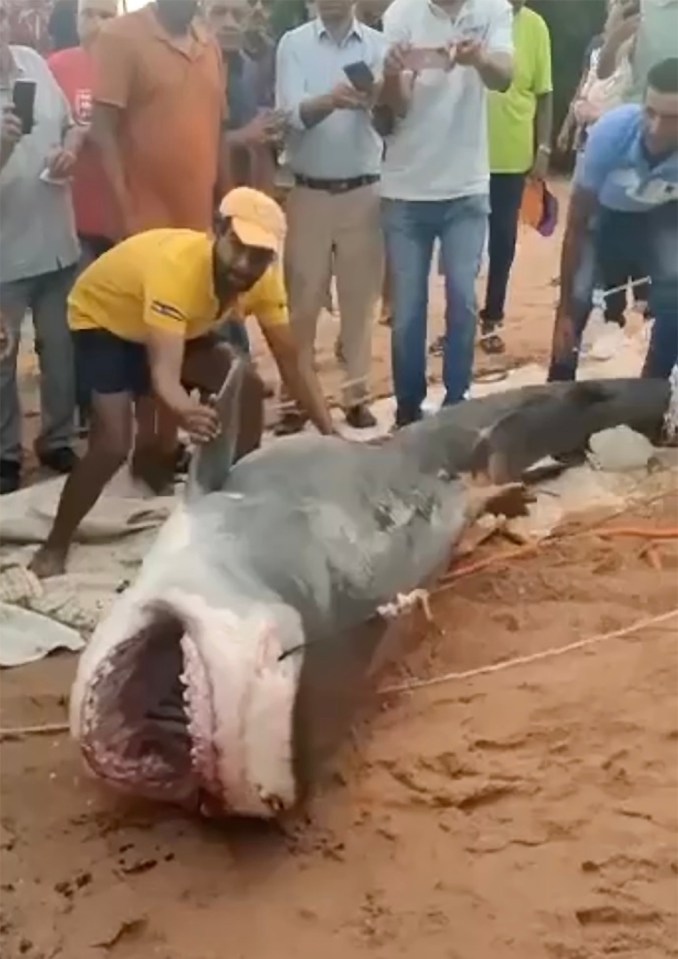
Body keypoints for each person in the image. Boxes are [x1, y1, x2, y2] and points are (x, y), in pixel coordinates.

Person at [29, 187, 336, 578]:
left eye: (258, 256)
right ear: (217, 230)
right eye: (237, 247)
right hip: (104, 319)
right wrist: (185, 409)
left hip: (170, 326)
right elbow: (164, 377)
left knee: (244, 385)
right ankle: (56, 542)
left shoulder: (264, 281)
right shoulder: (177, 269)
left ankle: (233, 500)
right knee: (112, 444)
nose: (244, 264)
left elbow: (293, 364)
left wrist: (331, 436)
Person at [379, 0, 513, 427]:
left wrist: (479, 58)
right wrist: (392, 75)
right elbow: (396, 108)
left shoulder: (493, 10)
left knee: (463, 300)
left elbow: (505, 77)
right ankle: (408, 408)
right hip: (406, 188)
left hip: (466, 187)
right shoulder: (400, 13)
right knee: (408, 311)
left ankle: (458, 403)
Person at [276, 0, 387, 432]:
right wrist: (331, 100)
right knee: (301, 303)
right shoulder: (293, 45)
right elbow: (290, 114)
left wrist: (379, 99)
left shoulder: (380, 45)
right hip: (310, 190)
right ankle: (295, 399)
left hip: (365, 189)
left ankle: (356, 394)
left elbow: (394, 120)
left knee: (360, 302)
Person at [548, 58, 678, 384]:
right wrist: (564, 309)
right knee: (578, 298)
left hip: (660, 216)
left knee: (675, 296)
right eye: (651, 112)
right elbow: (576, 224)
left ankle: (653, 394)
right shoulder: (611, 134)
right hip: (603, 217)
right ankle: (558, 389)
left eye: (672, 118)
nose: (657, 127)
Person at [0, 5, 80, 495]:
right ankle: (5, 454)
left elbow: (69, 122)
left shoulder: (33, 61)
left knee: (62, 351)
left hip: (56, 244)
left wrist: (68, 148)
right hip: (4, 258)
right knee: (2, 360)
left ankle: (59, 438)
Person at [90, 0, 227, 236]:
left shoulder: (209, 43)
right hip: (143, 228)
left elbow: (217, 130)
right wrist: (126, 213)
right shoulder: (119, 36)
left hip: (199, 226)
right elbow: (102, 132)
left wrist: (226, 202)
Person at [480, 0, 552, 355]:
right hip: (468, 155)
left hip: (512, 155)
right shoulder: (475, 14)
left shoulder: (536, 26)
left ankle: (492, 318)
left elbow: (545, 93)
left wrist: (544, 148)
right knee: (460, 249)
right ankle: (457, 324)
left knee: (503, 243)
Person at [48, 0, 120, 266]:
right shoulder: (54, 67)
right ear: (76, 20)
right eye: (88, 14)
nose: (97, 23)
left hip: (120, 214)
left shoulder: (133, 65)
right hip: (71, 217)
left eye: (106, 15)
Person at [204, 0, 283, 194]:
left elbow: (258, 139)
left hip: (243, 194)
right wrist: (243, 136)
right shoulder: (183, 68)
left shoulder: (250, 68)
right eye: (219, 13)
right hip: (197, 197)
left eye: (238, 15)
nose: (229, 23)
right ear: (201, 15)